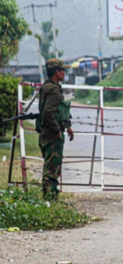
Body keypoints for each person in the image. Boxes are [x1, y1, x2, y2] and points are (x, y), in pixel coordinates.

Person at [37, 58, 74, 200]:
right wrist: (57, 131)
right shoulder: (53, 90)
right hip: (52, 135)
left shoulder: (50, 86)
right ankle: (50, 199)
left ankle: (50, 197)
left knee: (51, 167)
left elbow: (59, 110)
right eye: (62, 70)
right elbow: (48, 113)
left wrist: (67, 125)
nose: (64, 73)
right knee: (52, 169)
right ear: (56, 72)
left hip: (48, 133)